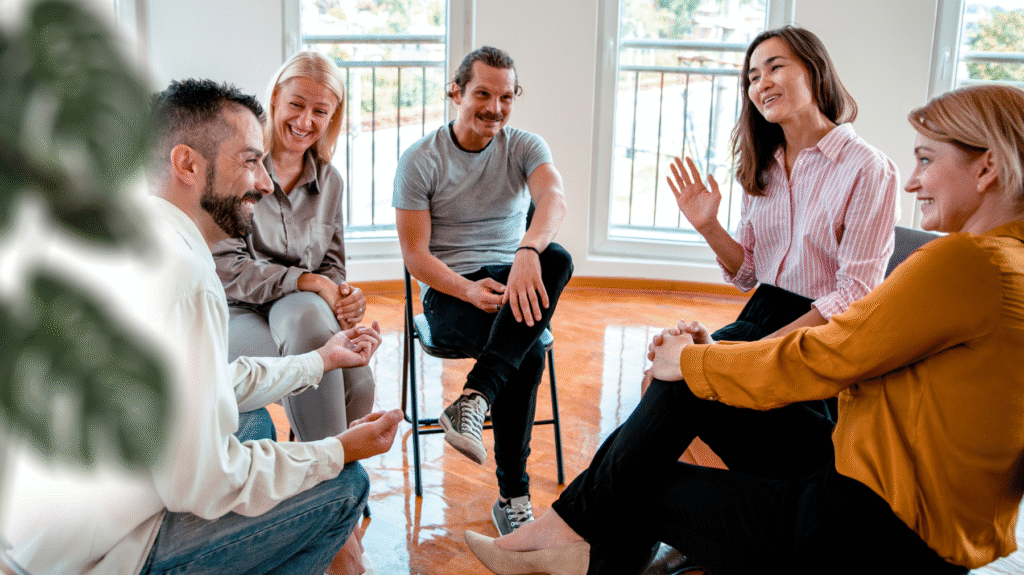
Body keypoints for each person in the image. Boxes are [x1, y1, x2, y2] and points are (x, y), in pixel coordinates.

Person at [465, 83, 1024, 575]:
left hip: (873, 526)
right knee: (681, 394)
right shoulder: (1004, 264)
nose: (914, 181)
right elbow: (839, 342)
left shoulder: (970, 263)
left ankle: (576, 545)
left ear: (987, 167)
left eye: (927, 159)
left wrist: (696, 361)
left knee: (642, 477)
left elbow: (833, 352)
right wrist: (709, 361)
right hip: (874, 474)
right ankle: (571, 541)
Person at [8, 79, 402, 575]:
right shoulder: (186, 279)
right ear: (188, 165)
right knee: (345, 486)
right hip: (101, 553)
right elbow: (203, 485)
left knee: (254, 422)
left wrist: (319, 361)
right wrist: (336, 450)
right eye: (250, 161)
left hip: (39, 533)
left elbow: (206, 383)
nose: (265, 183)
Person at [393, 45, 573, 536]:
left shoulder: (524, 146)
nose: (495, 108)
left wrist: (528, 250)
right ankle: (513, 497)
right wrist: (469, 292)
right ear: (456, 93)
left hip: (514, 277)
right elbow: (416, 257)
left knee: (557, 258)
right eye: (483, 94)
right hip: (451, 291)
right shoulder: (420, 160)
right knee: (527, 352)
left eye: (506, 97)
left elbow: (554, 198)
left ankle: (474, 398)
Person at [667, 26, 899, 347]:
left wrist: (756, 352)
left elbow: (855, 294)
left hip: (823, 333)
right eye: (753, 78)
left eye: (775, 67)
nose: (762, 83)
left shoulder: (868, 168)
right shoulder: (763, 167)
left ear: (815, 71)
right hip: (759, 315)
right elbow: (749, 275)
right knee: (671, 363)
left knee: (686, 367)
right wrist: (709, 227)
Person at [213, 51, 374, 443]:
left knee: (360, 384)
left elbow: (331, 266)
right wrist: (311, 283)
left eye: (320, 112)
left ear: (332, 117)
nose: (305, 122)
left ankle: (331, 467)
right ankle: (327, 470)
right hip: (238, 311)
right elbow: (228, 269)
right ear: (275, 100)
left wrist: (343, 297)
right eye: (296, 105)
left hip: (302, 312)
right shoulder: (237, 168)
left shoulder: (330, 181)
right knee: (312, 339)